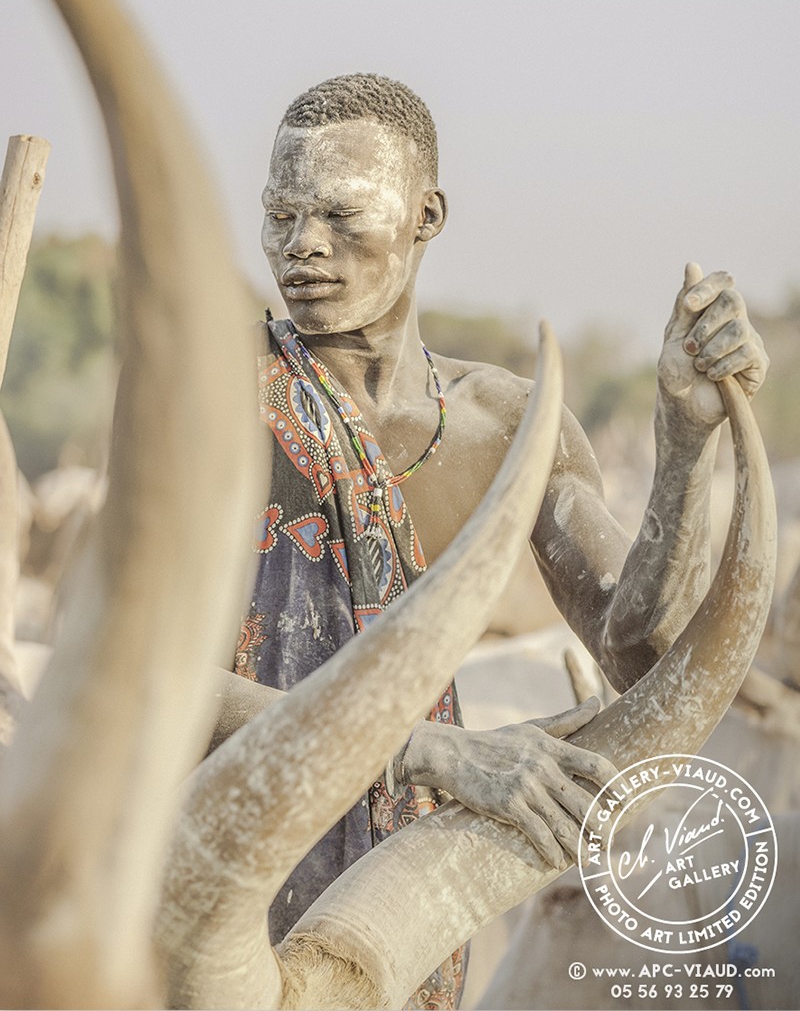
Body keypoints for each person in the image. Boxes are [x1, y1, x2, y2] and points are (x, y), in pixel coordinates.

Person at [222, 73, 768, 1009]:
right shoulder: (213, 399)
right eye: (281, 215)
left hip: (404, 923)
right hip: (216, 916)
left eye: (342, 215)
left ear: (426, 215)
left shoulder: (501, 423)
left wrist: (684, 440)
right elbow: (140, 690)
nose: (303, 244)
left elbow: (638, 651)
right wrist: (430, 752)